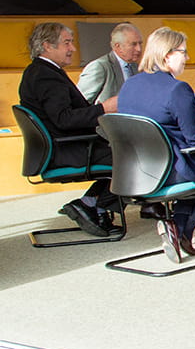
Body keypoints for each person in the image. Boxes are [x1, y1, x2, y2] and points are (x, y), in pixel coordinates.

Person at [119, 27, 195, 263]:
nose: (187, 57)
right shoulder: (177, 89)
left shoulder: (129, 86)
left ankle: (177, 229)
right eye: (183, 52)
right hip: (171, 171)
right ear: (167, 55)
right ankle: (184, 228)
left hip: (137, 171)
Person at [18, 23, 120, 237]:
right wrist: (104, 108)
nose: (73, 48)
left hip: (62, 146)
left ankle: (91, 204)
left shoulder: (41, 71)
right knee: (134, 158)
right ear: (47, 46)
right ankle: (93, 206)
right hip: (67, 150)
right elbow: (64, 119)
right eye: (67, 43)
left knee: (125, 154)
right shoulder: (46, 76)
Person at [77, 22, 142, 104]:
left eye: (140, 43)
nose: (139, 49)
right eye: (133, 44)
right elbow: (80, 102)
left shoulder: (137, 68)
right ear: (118, 46)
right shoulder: (99, 67)